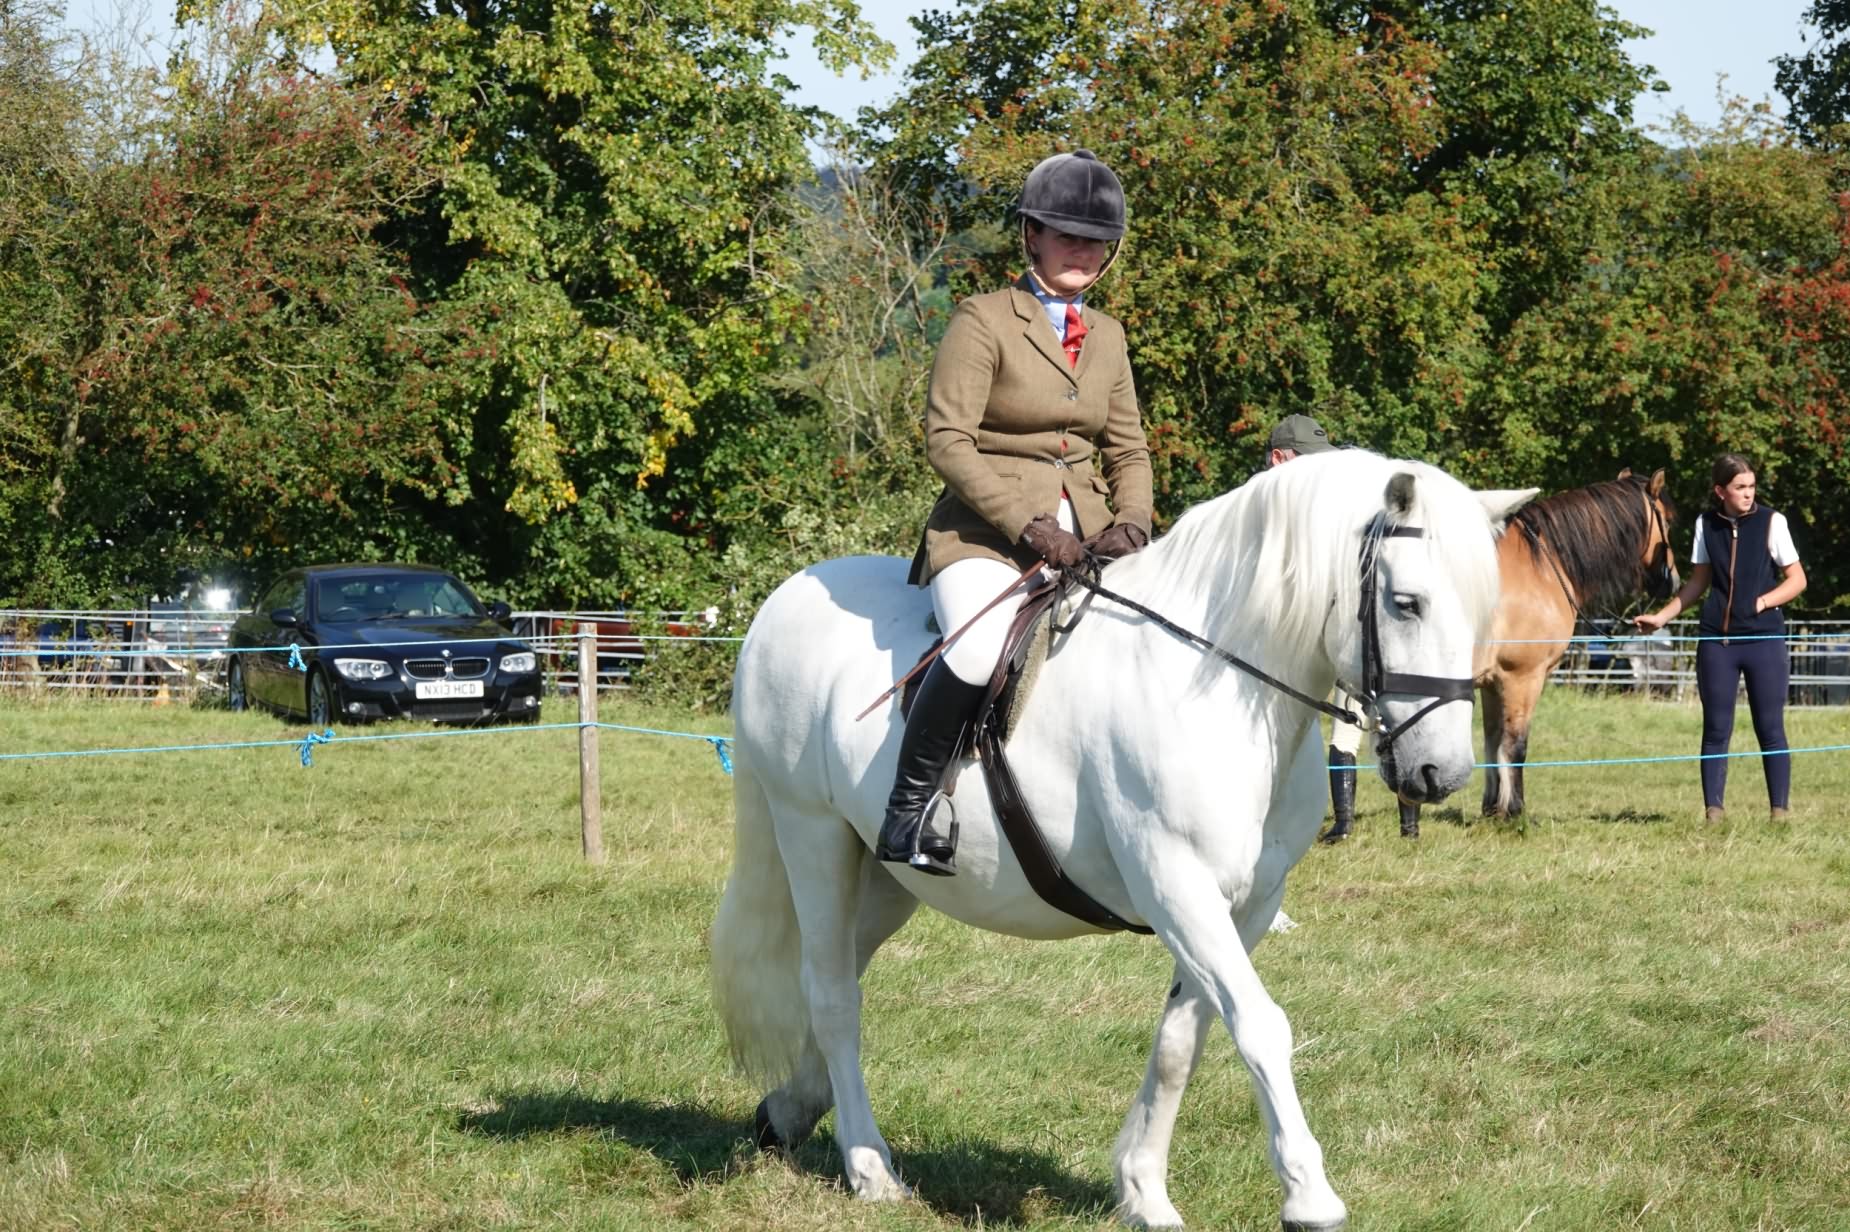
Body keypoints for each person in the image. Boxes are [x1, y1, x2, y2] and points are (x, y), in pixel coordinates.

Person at [875, 148, 1155, 877]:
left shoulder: (1109, 336)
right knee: (977, 647)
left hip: (1090, 538)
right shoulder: (984, 319)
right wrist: (1030, 527)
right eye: (1066, 235)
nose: (1081, 250)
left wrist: (1133, 523)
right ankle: (911, 809)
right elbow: (948, 441)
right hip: (985, 535)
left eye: (1094, 239)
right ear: (1031, 235)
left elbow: (1128, 448)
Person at [1635, 453, 1807, 822]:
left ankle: (1779, 814)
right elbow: (1698, 582)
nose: (1748, 493)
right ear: (1720, 491)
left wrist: (1763, 601)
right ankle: (1714, 813)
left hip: (1764, 641)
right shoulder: (1706, 524)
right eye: (1739, 487)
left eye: (1751, 486)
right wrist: (1661, 617)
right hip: (1717, 643)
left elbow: (1797, 580)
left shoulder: (1772, 522)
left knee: (1770, 729)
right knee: (1715, 730)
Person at [1257, 415, 1369, 843]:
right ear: (1279, 459)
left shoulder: (1327, 514)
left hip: (1331, 640)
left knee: (1350, 722)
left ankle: (1348, 823)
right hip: (1272, 660)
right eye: (1309, 459)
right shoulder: (1255, 514)